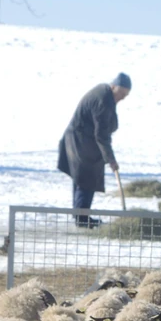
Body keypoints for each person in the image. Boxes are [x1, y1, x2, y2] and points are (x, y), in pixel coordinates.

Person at [57, 72, 132, 228]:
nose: (123, 97)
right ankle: (82, 219)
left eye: (126, 94)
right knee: (86, 177)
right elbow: (102, 135)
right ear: (113, 87)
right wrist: (111, 159)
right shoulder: (104, 100)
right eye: (122, 93)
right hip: (81, 142)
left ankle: (80, 216)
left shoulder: (104, 93)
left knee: (82, 178)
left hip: (78, 140)